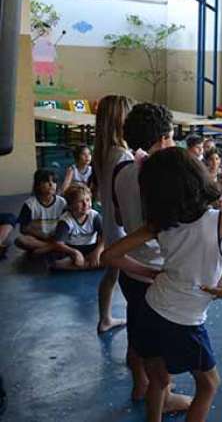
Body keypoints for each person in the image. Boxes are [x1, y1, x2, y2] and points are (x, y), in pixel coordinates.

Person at [104, 147, 222, 422]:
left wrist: (150, 273)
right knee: (209, 385)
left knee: (159, 380)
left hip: (150, 310)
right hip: (184, 321)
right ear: (196, 178)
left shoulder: (159, 224)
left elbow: (109, 255)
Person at [111, 103, 191, 408]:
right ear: (163, 139)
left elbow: (119, 218)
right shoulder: (162, 179)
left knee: (137, 331)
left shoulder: (122, 170)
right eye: (171, 136)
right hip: (157, 273)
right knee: (160, 345)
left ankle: (139, 385)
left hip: (130, 269)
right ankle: (163, 396)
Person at [93, 95, 133, 334]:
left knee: (112, 273)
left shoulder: (103, 152)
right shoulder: (122, 155)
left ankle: (105, 318)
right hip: (122, 227)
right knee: (131, 279)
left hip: (110, 225)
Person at [48, 183, 103, 271]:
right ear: (70, 205)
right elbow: (59, 243)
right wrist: (75, 253)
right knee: (57, 263)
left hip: (91, 248)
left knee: (109, 255)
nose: (85, 204)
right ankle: (88, 265)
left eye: (88, 200)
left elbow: (105, 237)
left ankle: (82, 265)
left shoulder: (95, 216)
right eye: (80, 201)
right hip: (72, 249)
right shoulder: (65, 220)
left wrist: (97, 252)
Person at [15, 169, 67, 256]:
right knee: (20, 240)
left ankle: (50, 247)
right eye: (46, 182)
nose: (51, 184)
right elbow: (23, 228)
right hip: (38, 238)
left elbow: (67, 222)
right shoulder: (30, 204)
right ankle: (54, 247)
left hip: (57, 237)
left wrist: (57, 236)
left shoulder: (62, 202)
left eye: (54, 181)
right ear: (38, 185)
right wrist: (43, 235)